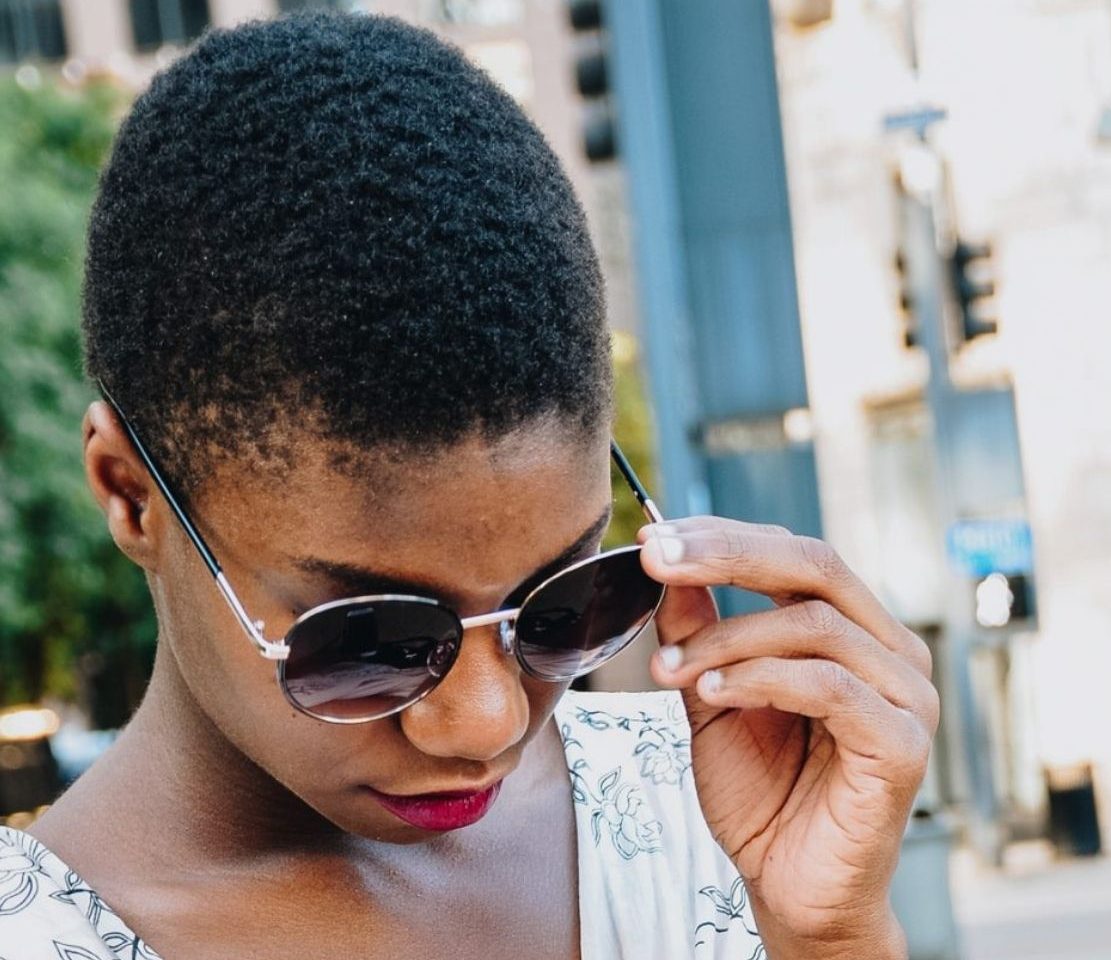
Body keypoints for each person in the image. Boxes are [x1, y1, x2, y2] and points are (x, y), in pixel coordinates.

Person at [0, 13, 936, 959]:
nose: (484, 725)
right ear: (131, 494)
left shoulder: (716, 807)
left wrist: (832, 939)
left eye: (565, 603)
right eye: (368, 640)